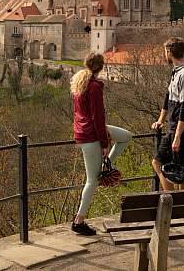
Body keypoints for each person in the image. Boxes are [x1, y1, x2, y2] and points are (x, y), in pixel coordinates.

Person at [71, 52, 132, 236]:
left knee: (126, 136)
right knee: (92, 181)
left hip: (84, 131)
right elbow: (97, 116)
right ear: (101, 67)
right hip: (91, 135)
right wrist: (104, 143)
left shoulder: (79, 82)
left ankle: (106, 166)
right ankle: (79, 221)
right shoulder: (94, 87)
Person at [151, 37, 184, 190]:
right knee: (170, 167)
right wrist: (160, 120)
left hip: (183, 129)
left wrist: (177, 137)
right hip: (174, 126)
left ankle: (177, 205)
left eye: (165, 51)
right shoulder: (177, 71)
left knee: (179, 171)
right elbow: (168, 98)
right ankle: (175, 202)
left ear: (169, 52)